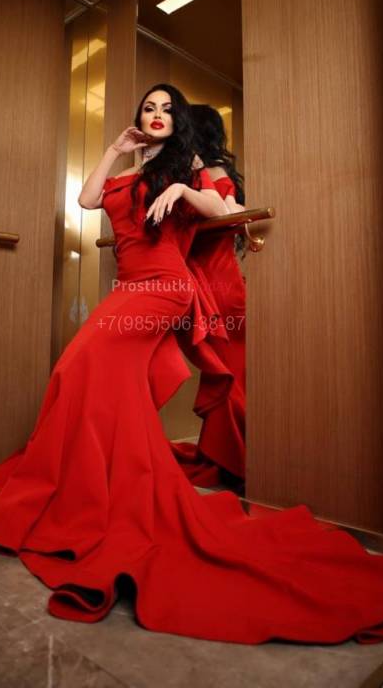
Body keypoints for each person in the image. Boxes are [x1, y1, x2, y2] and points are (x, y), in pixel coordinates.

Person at [0, 84, 383, 645]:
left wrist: (187, 187)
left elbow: (226, 210)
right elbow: (88, 201)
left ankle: (78, 491)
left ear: (179, 119)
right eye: (149, 108)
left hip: (164, 287)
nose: (157, 115)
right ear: (139, 119)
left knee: (74, 369)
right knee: (106, 391)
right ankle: (95, 491)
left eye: (167, 109)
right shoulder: (129, 168)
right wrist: (115, 149)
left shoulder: (189, 164)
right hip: (128, 287)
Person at [170, 104, 247, 491]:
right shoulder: (211, 173)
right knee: (229, 369)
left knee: (228, 370)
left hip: (214, 281)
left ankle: (234, 460)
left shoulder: (205, 173)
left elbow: (225, 218)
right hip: (220, 280)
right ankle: (230, 457)